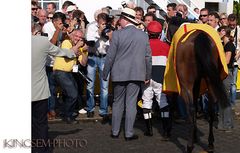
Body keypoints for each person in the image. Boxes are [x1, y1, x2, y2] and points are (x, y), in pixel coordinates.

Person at [103, 8, 152, 140]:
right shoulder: (143, 35)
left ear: (125, 20)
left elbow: (110, 56)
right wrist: (148, 74)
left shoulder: (117, 34)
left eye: (121, 19)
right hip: (137, 73)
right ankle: (129, 133)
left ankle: (115, 131)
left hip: (119, 73)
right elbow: (148, 57)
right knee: (131, 103)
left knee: (117, 102)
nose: (119, 21)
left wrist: (105, 73)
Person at [31, 22, 80, 153]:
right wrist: (75, 49)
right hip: (38, 92)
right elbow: (62, 52)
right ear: (36, 32)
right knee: (40, 124)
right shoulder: (42, 42)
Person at [142, 21, 171, 140]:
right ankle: (165, 130)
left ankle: (149, 130)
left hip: (146, 79)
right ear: (160, 34)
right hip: (161, 78)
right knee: (163, 103)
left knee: (146, 102)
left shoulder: (143, 46)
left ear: (148, 33)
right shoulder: (166, 46)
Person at [53, 29, 88, 124]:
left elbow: (83, 63)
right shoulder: (66, 42)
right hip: (60, 71)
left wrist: (84, 51)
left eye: (81, 38)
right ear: (72, 35)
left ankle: (65, 112)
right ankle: (67, 116)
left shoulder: (80, 47)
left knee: (74, 92)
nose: (78, 39)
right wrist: (77, 46)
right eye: (76, 36)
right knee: (72, 94)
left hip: (68, 72)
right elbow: (68, 54)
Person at [85, 12, 110, 122]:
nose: (103, 25)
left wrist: (107, 34)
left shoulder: (109, 29)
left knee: (104, 86)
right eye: (102, 23)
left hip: (104, 57)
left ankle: (103, 110)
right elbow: (90, 42)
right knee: (90, 84)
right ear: (97, 21)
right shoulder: (91, 27)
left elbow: (111, 43)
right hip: (92, 57)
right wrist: (99, 33)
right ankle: (90, 108)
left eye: (105, 23)